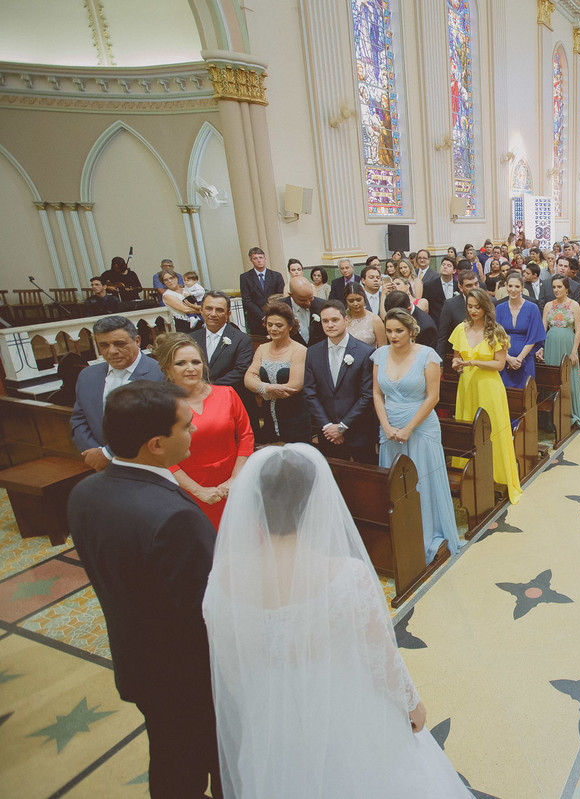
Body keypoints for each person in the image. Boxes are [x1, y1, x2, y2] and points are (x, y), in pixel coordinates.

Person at [202, 445, 472, 798]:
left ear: (253, 505)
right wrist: (412, 703)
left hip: (269, 720)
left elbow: (229, 659)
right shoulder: (348, 577)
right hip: (340, 711)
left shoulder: (223, 578)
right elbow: (382, 658)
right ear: (316, 503)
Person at [68, 381, 222, 798]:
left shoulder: (84, 493)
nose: (193, 431)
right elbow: (206, 611)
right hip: (191, 679)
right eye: (186, 427)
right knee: (215, 764)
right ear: (156, 443)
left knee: (171, 760)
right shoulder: (173, 516)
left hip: (138, 661)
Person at [373, 309, 460, 560]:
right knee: (396, 483)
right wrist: (386, 426)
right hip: (390, 427)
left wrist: (409, 427)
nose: (393, 335)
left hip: (420, 426)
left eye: (398, 330)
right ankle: (402, 533)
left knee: (423, 480)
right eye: (389, 331)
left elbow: (433, 397)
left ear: (411, 331)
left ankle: (428, 534)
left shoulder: (427, 355)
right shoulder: (379, 355)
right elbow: (377, 394)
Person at [152, 332, 253, 530]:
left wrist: (234, 480)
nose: (190, 368)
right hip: (188, 489)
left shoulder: (228, 394)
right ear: (167, 369)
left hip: (234, 483)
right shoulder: (161, 405)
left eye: (195, 362)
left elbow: (246, 437)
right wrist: (199, 492)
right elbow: (161, 456)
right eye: (181, 363)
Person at [450, 288, 522, 504]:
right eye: (470, 306)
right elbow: (456, 358)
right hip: (467, 386)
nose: (473, 310)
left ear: (485, 307)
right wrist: (457, 365)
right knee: (467, 429)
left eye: (477, 307)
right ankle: (469, 477)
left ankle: (497, 476)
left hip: (489, 387)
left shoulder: (496, 332)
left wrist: (472, 362)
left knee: (492, 431)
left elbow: (499, 364)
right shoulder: (460, 329)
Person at [71, 315, 164, 471]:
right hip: (100, 466)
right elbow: (79, 420)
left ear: (138, 341)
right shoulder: (88, 376)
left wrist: (107, 454)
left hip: (147, 465)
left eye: (119, 344)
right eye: (104, 345)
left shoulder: (160, 374)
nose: (112, 351)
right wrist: (95, 454)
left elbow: (157, 425)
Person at [303, 301, 378, 463]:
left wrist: (342, 427)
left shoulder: (365, 352)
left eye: (334, 320)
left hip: (358, 430)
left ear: (346, 320)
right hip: (327, 432)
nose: (329, 325)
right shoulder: (312, 352)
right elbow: (310, 393)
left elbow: (367, 395)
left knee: (365, 481)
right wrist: (328, 427)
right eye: (325, 321)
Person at [245, 302, 309, 443]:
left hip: (294, 416)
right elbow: (248, 378)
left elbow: (294, 386)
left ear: (290, 326)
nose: (273, 329)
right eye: (269, 324)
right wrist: (267, 388)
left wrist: (260, 388)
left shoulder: (300, 350)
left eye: (279, 325)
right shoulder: (262, 348)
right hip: (268, 415)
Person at [539, 275, 580, 429]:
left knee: (569, 380)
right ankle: (551, 418)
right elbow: (542, 329)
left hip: (568, 343)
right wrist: (541, 348)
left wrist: (574, 352)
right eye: (554, 287)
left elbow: (578, 331)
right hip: (551, 344)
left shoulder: (574, 305)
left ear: (566, 288)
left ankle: (571, 414)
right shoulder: (548, 306)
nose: (556, 290)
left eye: (559, 287)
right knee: (552, 380)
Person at [496, 271, 546, 389]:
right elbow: (495, 336)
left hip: (525, 360)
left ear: (522, 288)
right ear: (506, 287)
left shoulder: (532, 308)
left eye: (517, 286)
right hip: (503, 360)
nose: (513, 289)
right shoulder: (499, 308)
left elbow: (534, 336)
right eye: (510, 286)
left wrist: (519, 359)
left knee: (525, 396)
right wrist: (507, 358)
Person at [238, 247, 285, 335]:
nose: (259, 260)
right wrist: (263, 316)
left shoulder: (276, 276)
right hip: (256, 320)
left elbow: (281, 297)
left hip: (275, 316)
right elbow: (246, 300)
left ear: (265, 259)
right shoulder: (245, 277)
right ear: (251, 260)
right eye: (255, 258)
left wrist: (271, 314)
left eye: (261, 257)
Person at [437, 268, 480, 357]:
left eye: (476, 284)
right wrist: (440, 364)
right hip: (460, 355)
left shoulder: (491, 302)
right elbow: (442, 337)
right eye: (469, 285)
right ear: (460, 287)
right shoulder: (450, 305)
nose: (474, 288)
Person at [285, 277, 328, 347]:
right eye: (302, 300)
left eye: (311, 298)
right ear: (291, 295)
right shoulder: (280, 307)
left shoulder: (322, 305)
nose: (308, 303)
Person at [423, 255, 460, 324]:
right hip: (436, 323)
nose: (445, 267)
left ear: (454, 271)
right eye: (443, 265)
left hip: (454, 323)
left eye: (449, 265)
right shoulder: (429, 286)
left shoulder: (458, 286)